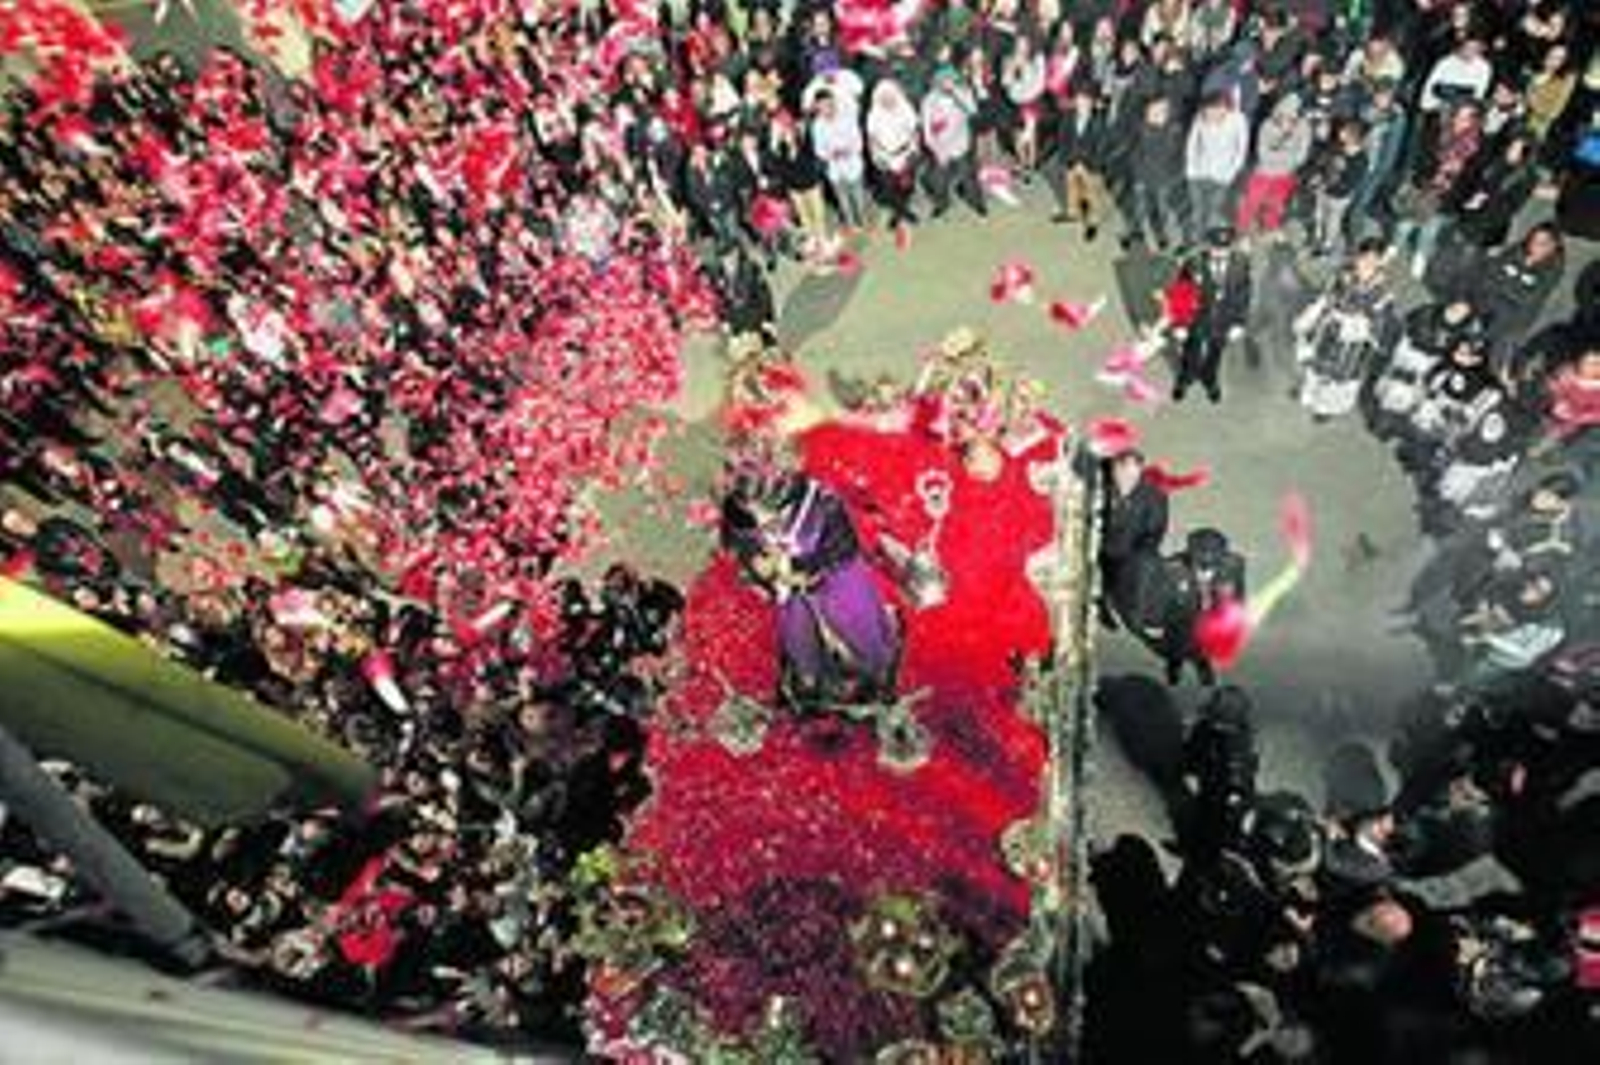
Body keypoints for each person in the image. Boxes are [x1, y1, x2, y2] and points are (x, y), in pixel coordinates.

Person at [720, 462, 901, 709]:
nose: (763, 525)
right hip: (787, 588)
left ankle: (877, 669)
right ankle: (807, 681)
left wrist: (800, 569)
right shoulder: (741, 513)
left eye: (770, 520)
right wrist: (758, 566)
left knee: (868, 643)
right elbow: (736, 541)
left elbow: (843, 549)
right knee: (802, 658)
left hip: (835, 574)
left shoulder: (823, 504)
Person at [1294, 238, 1401, 422]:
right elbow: (1327, 296)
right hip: (1329, 328)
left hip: (1354, 342)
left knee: (1339, 377)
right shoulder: (1344, 274)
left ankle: (1326, 407)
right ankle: (1309, 393)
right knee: (1316, 364)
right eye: (1364, 257)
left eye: (1373, 259)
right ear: (1358, 257)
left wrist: (1360, 326)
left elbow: (1382, 322)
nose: (1367, 263)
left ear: (1380, 261)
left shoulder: (1384, 291)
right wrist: (1311, 316)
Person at [1172, 226, 1251, 404]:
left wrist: (1239, 322)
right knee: (1190, 352)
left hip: (1223, 320)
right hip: (1197, 319)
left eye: (1225, 248)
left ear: (1232, 247)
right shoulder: (1194, 263)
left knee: (1215, 354)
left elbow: (1244, 294)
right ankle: (1184, 379)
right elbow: (1181, 294)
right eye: (1216, 248)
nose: (1220, 253)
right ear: (1208, 246)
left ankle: (1210, 380)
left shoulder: (1241, 263)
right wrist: (1180, 324)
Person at [1159, 528, 1247, 687]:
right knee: (1177, 645)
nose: (1207, 558)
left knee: (1203, 648)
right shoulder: (1173, 567)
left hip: (1211, 616)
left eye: (1213, 554)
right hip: (1182, 616)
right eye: (1202, 554)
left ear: (1222, 554)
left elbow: (1239, 592)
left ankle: (1203, 668)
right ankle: (1174, 666)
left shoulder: (1234, 565)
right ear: (1191, 554)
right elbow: (1162, 595)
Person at [1098, 449, 1170, 631]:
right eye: (1122, 474)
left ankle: (1136, 612)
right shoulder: (1099, 488)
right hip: (1101, 547)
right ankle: (1102, 606)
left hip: (1133, 550)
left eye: (1133, 476)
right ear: (1114, 470)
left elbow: (1155, 531)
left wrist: (1134, 557)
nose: (1127, 481)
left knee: (1143, 570)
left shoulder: (1155, 495)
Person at [1052, 81, 1110, 241]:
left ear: (1092, 103)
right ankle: (1073, 213)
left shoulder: (1099, 122)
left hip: (1091, 166)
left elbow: (1101, 149)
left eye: (1085, 101)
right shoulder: (1069, 117)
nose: (1081, 104)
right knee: (1072, 188)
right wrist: (1069, 161)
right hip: (1072, 161)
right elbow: (1063, 139)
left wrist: (1086, 165)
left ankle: (1093, 221)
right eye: (1078, 100)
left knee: (1092, 194)